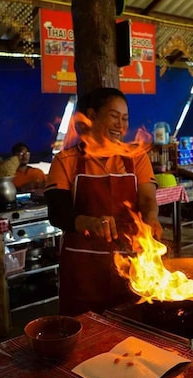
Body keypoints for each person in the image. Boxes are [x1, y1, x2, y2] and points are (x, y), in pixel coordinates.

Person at [45, 88, 162, 316]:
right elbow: (57, 213)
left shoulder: (136, 158)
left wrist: (151, 218)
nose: (121, 125)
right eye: (114, 116)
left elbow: (148, 198)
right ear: (92, 116)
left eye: (125, 118)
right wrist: (88, 223)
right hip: (82, 270)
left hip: (131, 266)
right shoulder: (65, 161)